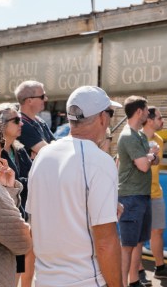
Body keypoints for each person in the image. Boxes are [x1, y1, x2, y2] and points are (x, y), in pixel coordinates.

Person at [26, 85, 122, 287]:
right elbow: (106, 243)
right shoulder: (100, 162)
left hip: (44, 280)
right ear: (102, 117)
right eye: (110, 114)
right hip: (85, 280)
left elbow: (35, 224)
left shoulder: (44, 155)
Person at [117, 95, 159, 287]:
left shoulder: (140, 136)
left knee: (139, 242)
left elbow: (151, 161)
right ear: (139, 111)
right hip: (130, 197)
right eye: (146, 110)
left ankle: (133, 280)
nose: (148, 114)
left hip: (141, 196)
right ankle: (122, 284)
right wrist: (151, 156)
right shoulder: (127, 136)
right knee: (127, 246)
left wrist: (151, 156)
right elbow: (143, 165)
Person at [137, 107, 167, 284]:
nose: (163, 121)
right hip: (139, 193)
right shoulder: (135, 139)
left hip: (155, 192)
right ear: (149, 120)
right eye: (160, 118)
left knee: (158, 230)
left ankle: (160, 268)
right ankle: (138, 270)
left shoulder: (159, 140)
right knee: (139, 235)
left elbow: (154, 164)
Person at [0, 103, 34, 285]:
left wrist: (8, 191)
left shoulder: (20, 150)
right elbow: (22, 242)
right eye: (0, 143)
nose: (2, 149)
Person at [15, 80, 55, 158]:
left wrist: (49, 148)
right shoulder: (21, 123)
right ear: (29, 101)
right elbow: (49, 153)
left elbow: (55, 146)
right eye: (42, 96)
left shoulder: (39, 120)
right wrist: (49, 148)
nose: (46, 99)